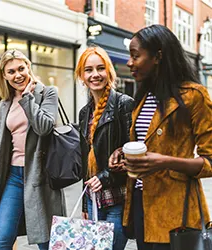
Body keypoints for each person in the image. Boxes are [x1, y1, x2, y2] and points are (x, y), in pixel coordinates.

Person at [109, 24, 212, 250]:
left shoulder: (194, 96)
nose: (129, 62)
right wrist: (122, 154)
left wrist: (164, 161)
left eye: (135, 56)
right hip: (140, 202)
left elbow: (210, 162)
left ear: (158, 57)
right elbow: (145, 143)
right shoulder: (143, 96)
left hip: (175, 210)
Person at [0, 49, 66, 250]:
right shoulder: (5, 102)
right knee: (1, 238)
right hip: (13, 176)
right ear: (4, 76)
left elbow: (44, 127)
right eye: (11, 71)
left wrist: (27, 97)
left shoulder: (48, 92)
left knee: (45, 239)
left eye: (21, 68)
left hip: (40, 175)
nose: (17, 75)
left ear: (29, 68)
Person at [75, 46, 134, 250]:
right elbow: (86, 161)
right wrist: (85, 204)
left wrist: (104, 177)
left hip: (119, 198)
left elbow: (131, 154)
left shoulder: (124, 104)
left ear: (109, 71)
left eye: (100, 68)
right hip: (94, 199)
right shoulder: (84, 113)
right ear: (82, 76)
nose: (95, 75)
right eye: (88, 70)